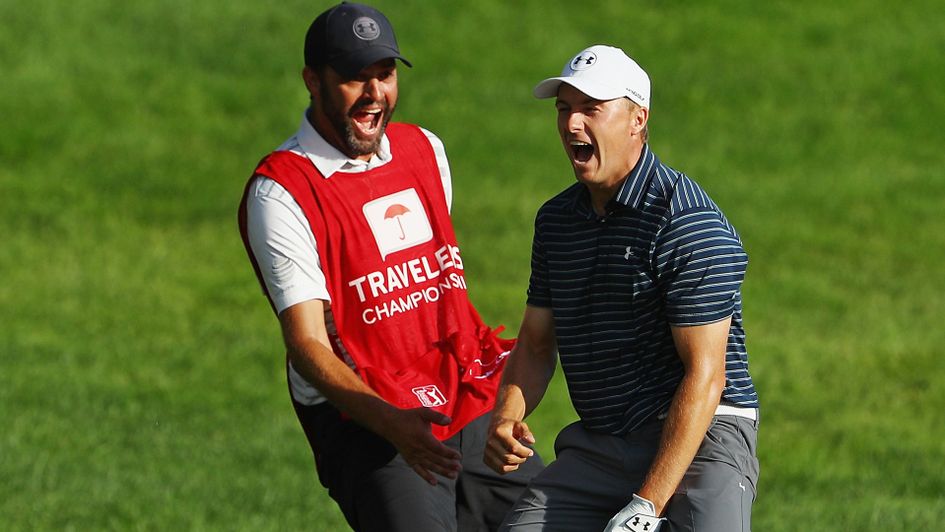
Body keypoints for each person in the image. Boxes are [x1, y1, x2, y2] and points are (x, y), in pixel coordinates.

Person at [237, 3, 542, 530]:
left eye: (385, 74)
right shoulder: (282, 191)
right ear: (313, 80)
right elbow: (307, 343)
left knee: (559, 518)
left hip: (461, 396)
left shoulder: (425, 149)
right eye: (356, 78)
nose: (375, 93)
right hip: (367, 423)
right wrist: (394, 426)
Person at [484, 45, 760, 532]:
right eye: (564, 108)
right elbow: (535, 341)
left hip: (705, 435)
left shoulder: (687, 223)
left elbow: (706, 378)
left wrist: (646, 507)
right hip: (605, 442)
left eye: (592, 109)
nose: (572, 124)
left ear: (638, 120)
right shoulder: (555, 222)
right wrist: (506, 415)